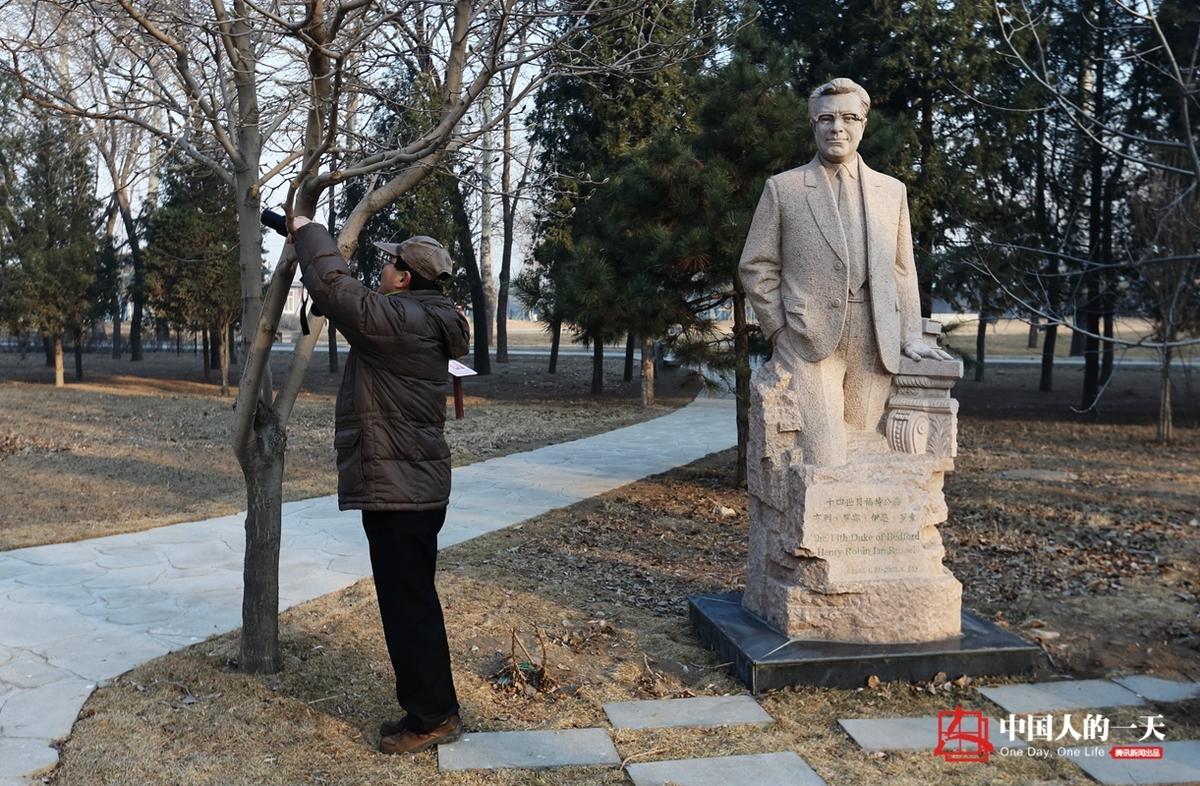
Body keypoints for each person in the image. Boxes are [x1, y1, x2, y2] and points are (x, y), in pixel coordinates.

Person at [289, 216, 471, 754]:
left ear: (405, 279)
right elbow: (349, 300)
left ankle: (433, 717)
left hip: (401, 489)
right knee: (412, 601)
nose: (382, 267)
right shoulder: (426, 316)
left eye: (390, 263)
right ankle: (430, 707)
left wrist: (308, 230)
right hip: (412, 485)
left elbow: (335, 287)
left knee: (408, 606)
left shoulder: (401, 320)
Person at [738, 77, 952, 467]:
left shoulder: (892, 191)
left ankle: (856, 526)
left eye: (849, 117)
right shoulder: (784, 189)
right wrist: (780, 329)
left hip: (874, 336)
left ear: (863, 124)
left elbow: (902, 270)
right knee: (825, 452)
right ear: (813, 125)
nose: (838, 127)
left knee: (861, 443)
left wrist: (910, 335)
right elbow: (756, 265)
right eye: (826, 118)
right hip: (809, 339)